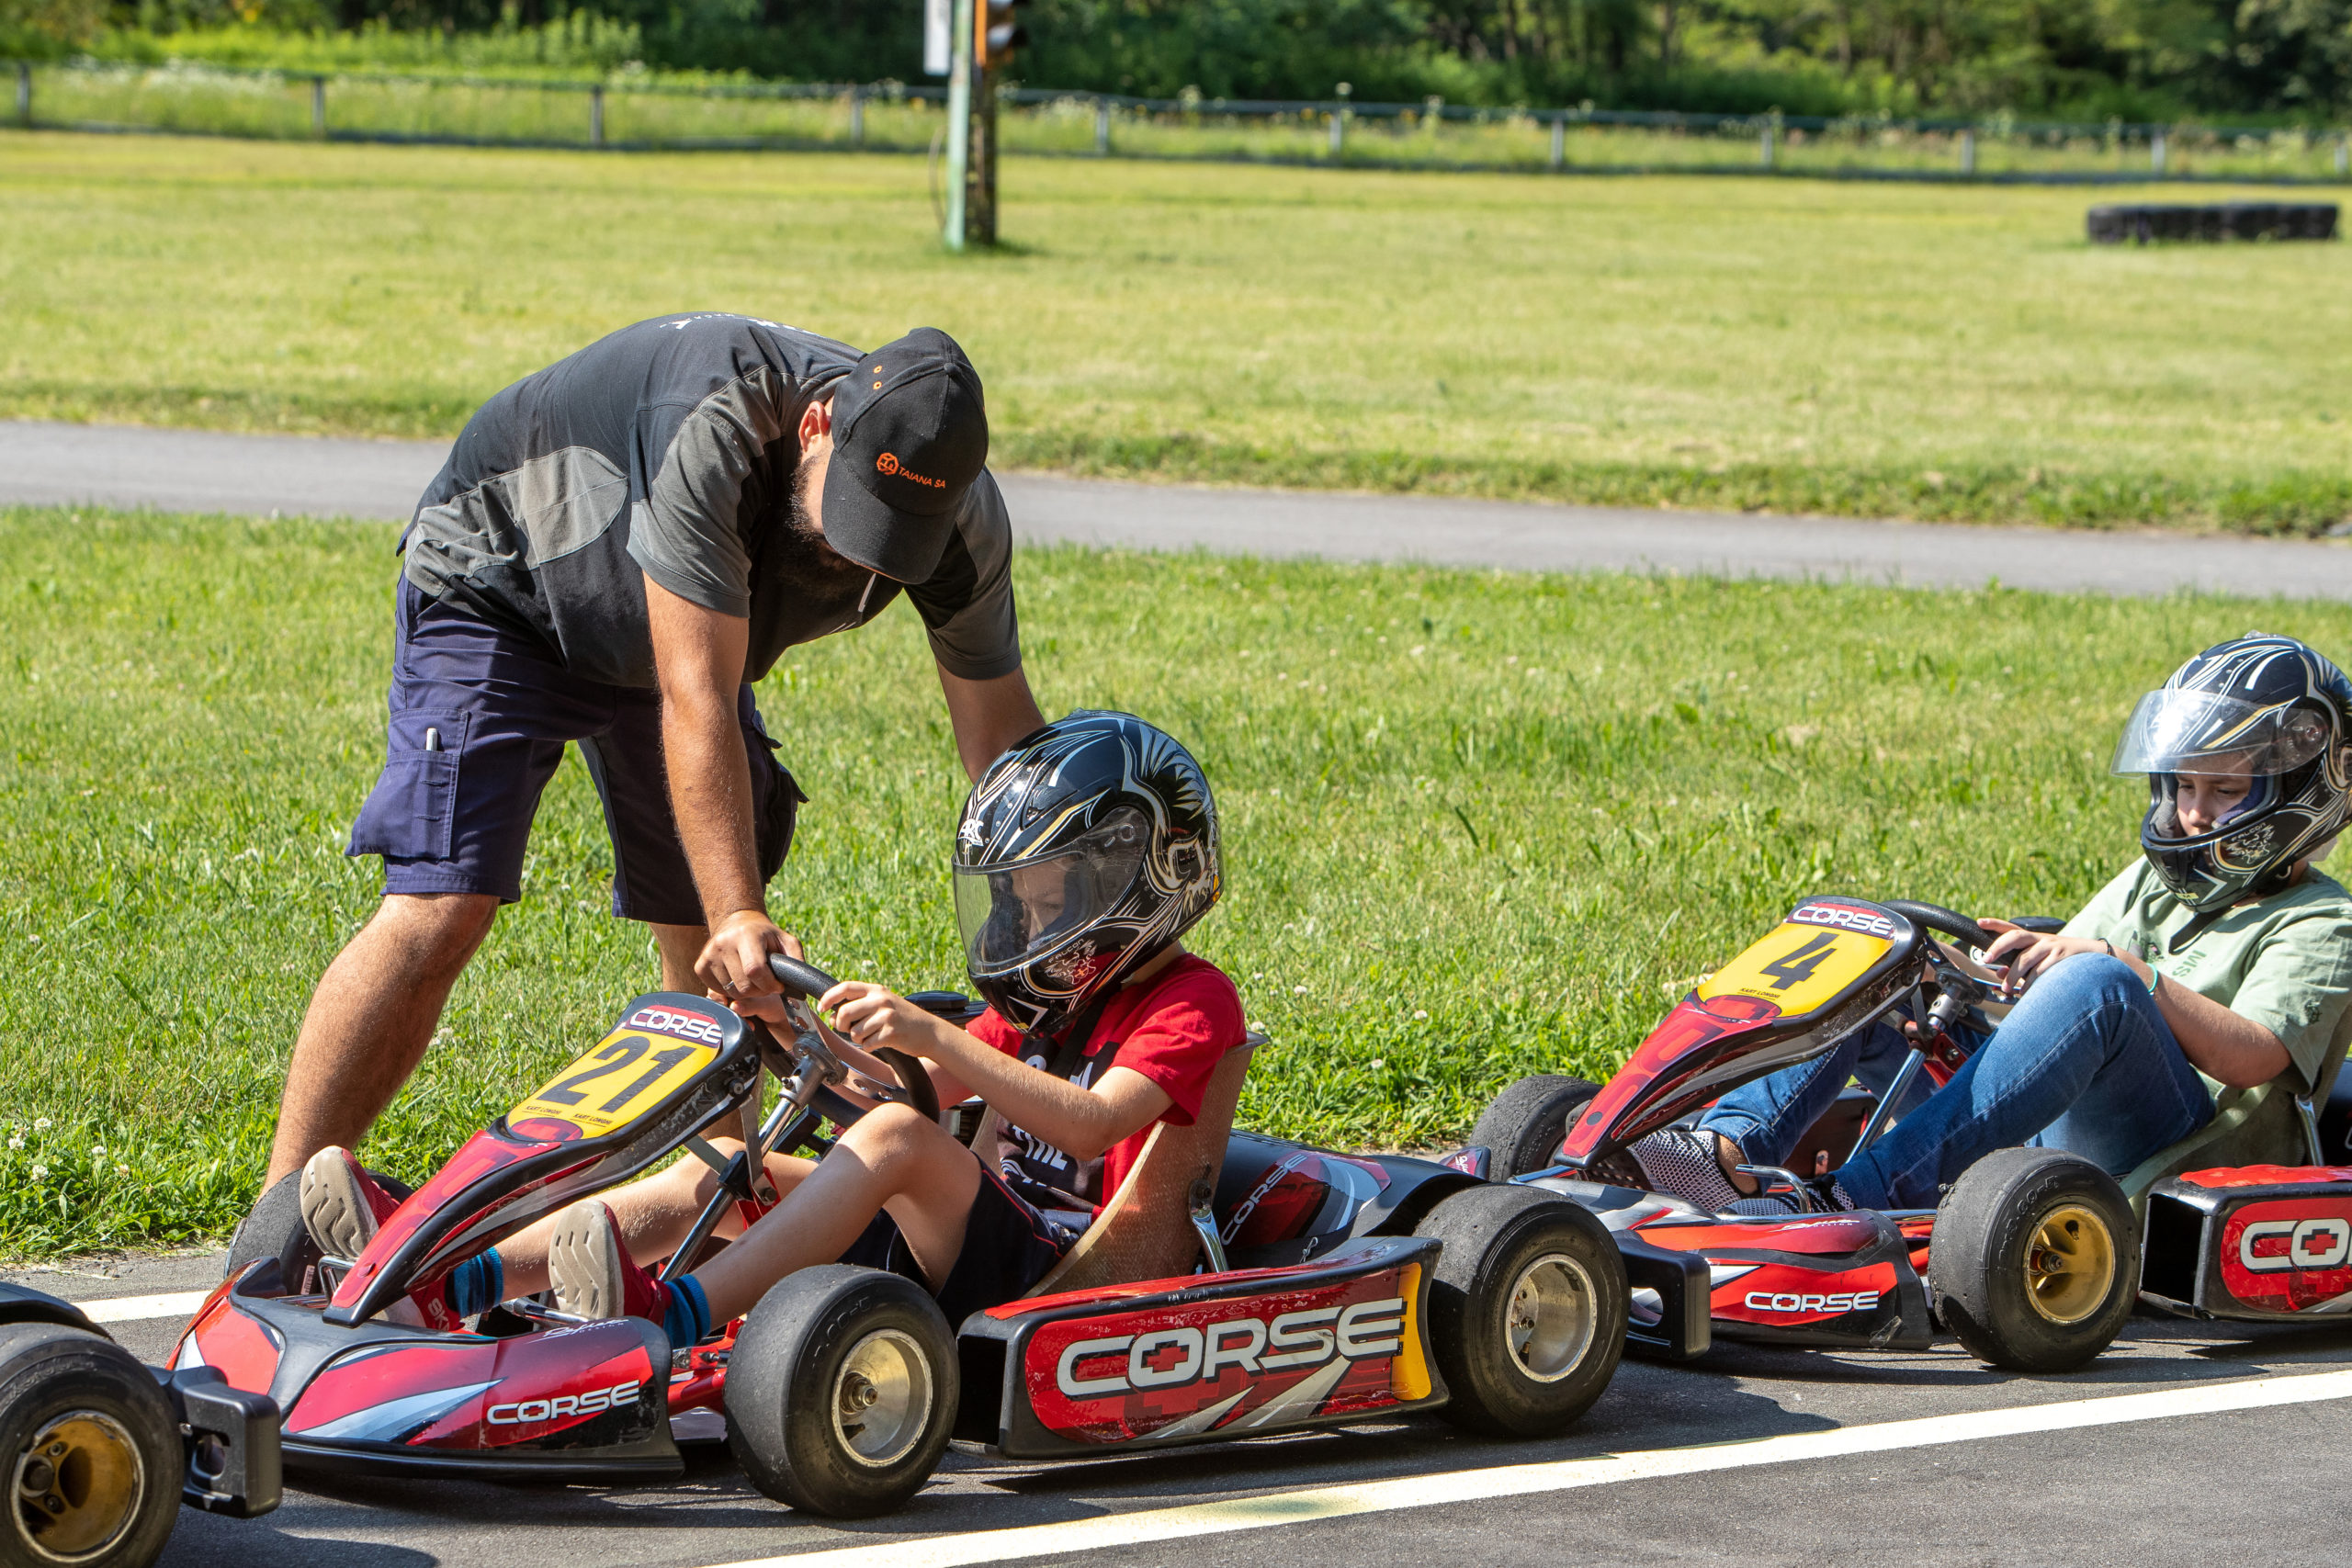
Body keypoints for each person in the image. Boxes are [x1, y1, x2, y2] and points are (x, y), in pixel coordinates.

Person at [264, 315, 1046, 1192]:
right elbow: (696, 699)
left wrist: (1061, 940)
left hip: (675, 635)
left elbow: (1005, 757)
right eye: (858, 509)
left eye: (901, 538)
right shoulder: (718, 424)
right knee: (447, 903)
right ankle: (276, 1223)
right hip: (509, 581)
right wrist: (738, 914)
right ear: (819, 425)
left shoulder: (963, 523)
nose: (856, 549)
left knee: (710, 941)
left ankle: (710, 1213)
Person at [297, 712, 1245, 1342]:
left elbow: (1088, 1124)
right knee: (726, 1167)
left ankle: (675, 1314)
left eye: (1049, 904)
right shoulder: (1041, 1005)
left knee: (896, 1142)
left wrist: (931, 1034)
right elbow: (885, 1100)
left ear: (1141, 881)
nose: (1028, 928)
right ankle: (445, 1278)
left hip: (1067, 1281)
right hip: (971, 1240)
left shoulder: (1192, 1004)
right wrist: (790, 1033)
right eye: (1022, 906)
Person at [1627, 633, 2352, 1214]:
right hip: (2059, 1109)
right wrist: (1948, 980)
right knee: (1880, 968)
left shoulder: (2324, 920)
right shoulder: (2152, 884)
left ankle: (1851, 1197)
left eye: (2225, 788)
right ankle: (1716, 1151)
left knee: (2099, 978)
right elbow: (2048, 1004)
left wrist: (2131, 972)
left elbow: (2254, 1055)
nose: (2195, 811)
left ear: (2302, 791)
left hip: (2179, 1151)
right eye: (2186, 784)